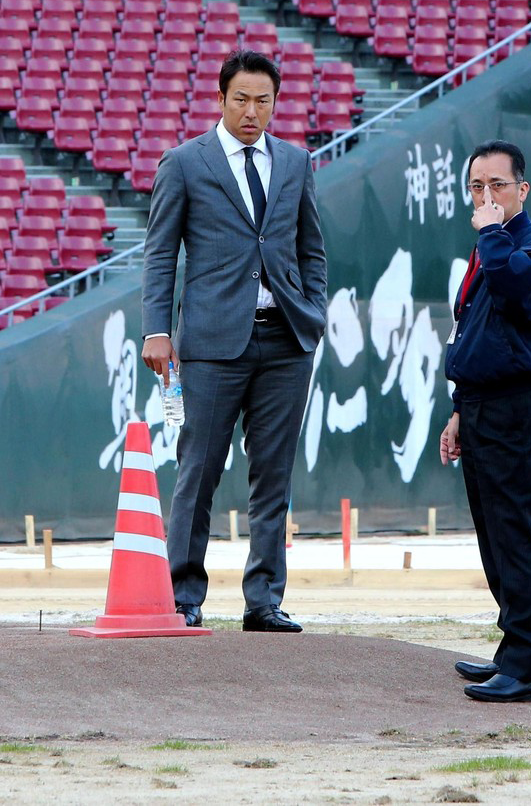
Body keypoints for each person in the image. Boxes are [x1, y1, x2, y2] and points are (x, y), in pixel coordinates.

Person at [141, 50, 327, 633]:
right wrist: (156, 329)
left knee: (274, 476)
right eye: (241, 99)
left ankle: (263, 601)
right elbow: (160, 253)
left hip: (287, 341)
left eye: (263, 101)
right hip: (212, 344)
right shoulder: (183, 163)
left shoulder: (295, 162)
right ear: (220, 99)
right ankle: (182, 597)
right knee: (197, 472)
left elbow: (312, 248)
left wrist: (314, 311)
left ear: (275, 103)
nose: (252, 111)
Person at [440, 140, 531, 702]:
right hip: (480, 406)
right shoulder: (487, 248)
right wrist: (459, 409)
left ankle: (523, 665)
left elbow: (517, 290)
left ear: (522, 188)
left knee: (514, 535)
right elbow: (472, 333)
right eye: (476, 186)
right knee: (493, 537)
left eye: (497, 185)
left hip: (516, 408)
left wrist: (492, 231)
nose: (486, 196)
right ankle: (515, 652)